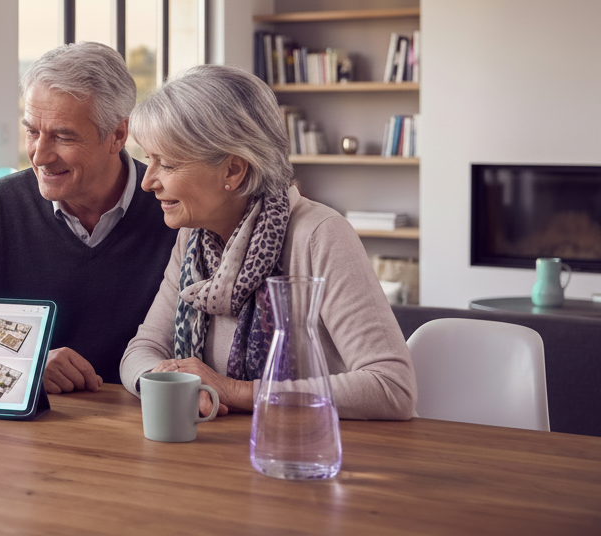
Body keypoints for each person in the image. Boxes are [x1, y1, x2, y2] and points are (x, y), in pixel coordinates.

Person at [119, 64, 416, 420]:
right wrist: (165, 380)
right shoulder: (193, 240)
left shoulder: (320, 234)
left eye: (166, 164)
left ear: (232, 170)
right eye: (148, 161)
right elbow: (143, 348)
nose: (147, 182)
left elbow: (391, 388)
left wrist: (234, 391)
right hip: (218, 451)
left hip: (307, 455)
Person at [0, 42, 178, 394]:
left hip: (141, 419)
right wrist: (26, 362)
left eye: (62, 136)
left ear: (118, 135)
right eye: (32, 132)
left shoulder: (172, 210)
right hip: (25, 422)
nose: (40, 156)